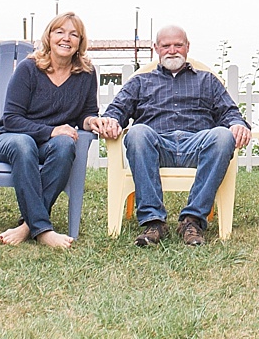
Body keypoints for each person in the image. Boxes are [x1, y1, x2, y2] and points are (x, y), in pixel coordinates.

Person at [88, 25, 250, 247]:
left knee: (223, 136)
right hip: (157, 144)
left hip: (197, 144)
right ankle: (153, 222)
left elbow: (230, 113)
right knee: (137, 132)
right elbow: (116, 110)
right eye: (166, 45)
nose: (172, 50)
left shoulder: (207, 81)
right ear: (156, 48)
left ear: (187, 47)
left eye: (178, 45)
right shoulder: (140, 82)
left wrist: (237, 124)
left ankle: (191, 220)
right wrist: (112, 122)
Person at [0, 11, 100, 249]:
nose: (66, 39)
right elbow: (11, 119)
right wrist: (51, 131)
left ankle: (28, 226)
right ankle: (43, 229)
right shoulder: (29, 69)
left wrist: (92, 122)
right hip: (8, 140)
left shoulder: (87, 74)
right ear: (49, 37)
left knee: (66, 144)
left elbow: (87, 113)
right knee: (24, 143)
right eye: (59, 32)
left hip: (47, 145)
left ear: (80, 42)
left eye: (73, 34)